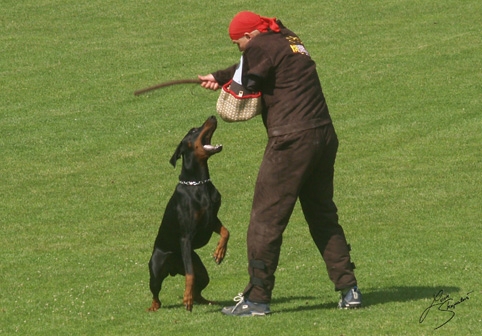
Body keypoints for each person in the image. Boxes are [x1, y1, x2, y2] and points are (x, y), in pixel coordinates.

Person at [198, 11, 361, 316]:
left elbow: (249, 78)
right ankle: (349, 289)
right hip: (323, 135)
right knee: (323, 215)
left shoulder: (259, 47)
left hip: (291, 141)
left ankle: (257, 298)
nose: (241, 49)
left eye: (239, 44)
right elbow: (253, 65)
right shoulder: (287, 39)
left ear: (249, 36)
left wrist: (228, 85)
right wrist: (219, 76)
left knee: (265, 220)